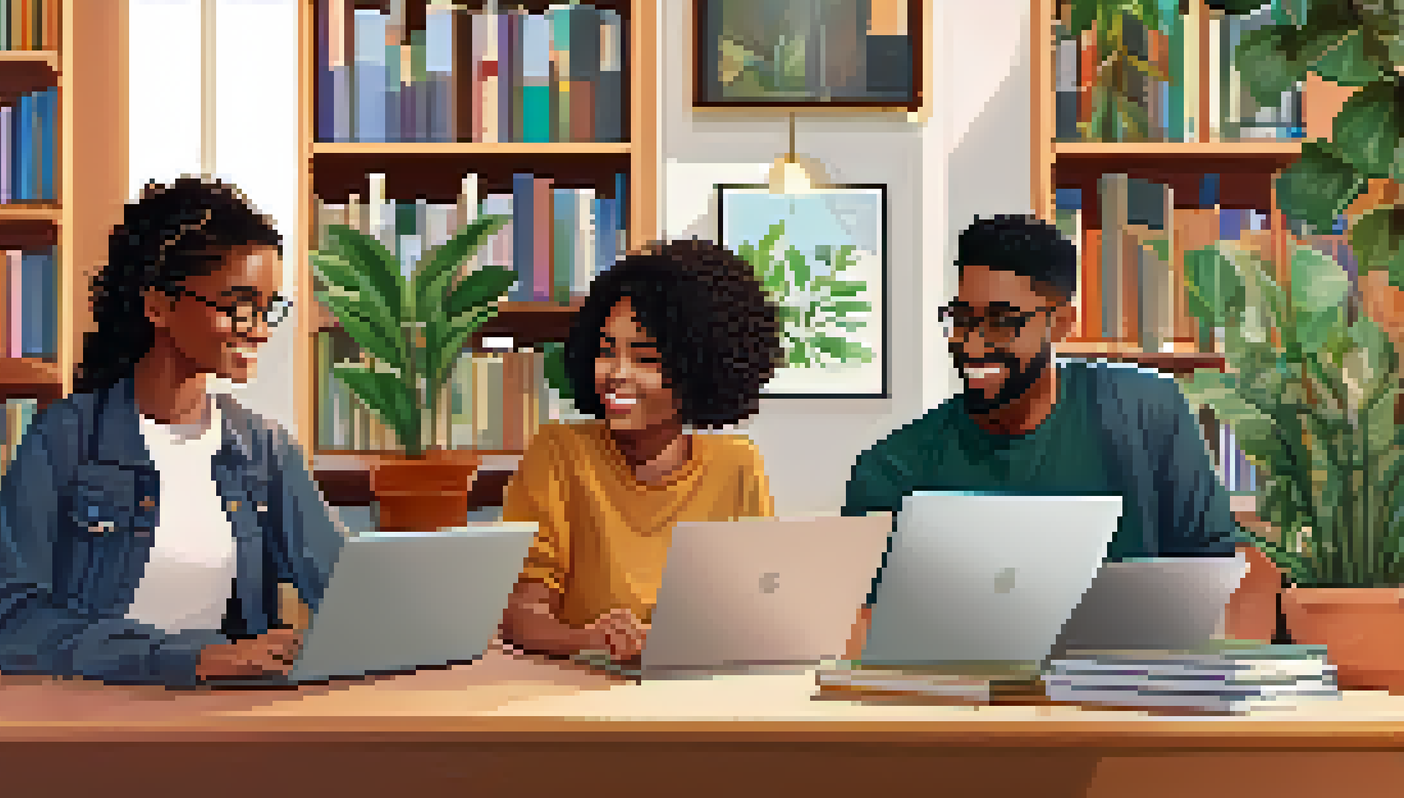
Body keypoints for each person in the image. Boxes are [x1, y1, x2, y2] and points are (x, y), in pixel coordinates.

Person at [840, 214, 1282, 658]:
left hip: (1128, 706)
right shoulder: (894, 467)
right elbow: (858, 629)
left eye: (1001, 322)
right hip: (958, 713)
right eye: (961, 319)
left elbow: (1231, 571)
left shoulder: (1147, 411)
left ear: (1061, 323)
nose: (971, 345)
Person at [0, 177, 345, 687]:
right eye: (238, 304)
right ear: (159, 307)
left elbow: (347, 591)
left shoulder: (264, 449)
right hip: (87, 719)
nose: (258, 329)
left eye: (268, 308)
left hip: (227, 717)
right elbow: (7, 624)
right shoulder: (66, 439)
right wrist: (188, 659)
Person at [498, 239, 785, 664]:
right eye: (606, 350)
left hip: (704, 689)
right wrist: (590, 640)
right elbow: (521, 614)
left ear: (699, 368)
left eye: (645, 358)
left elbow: (760, 606)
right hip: (583, 691)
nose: (617, 374)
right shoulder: (560, 453)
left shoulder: (738, 463)